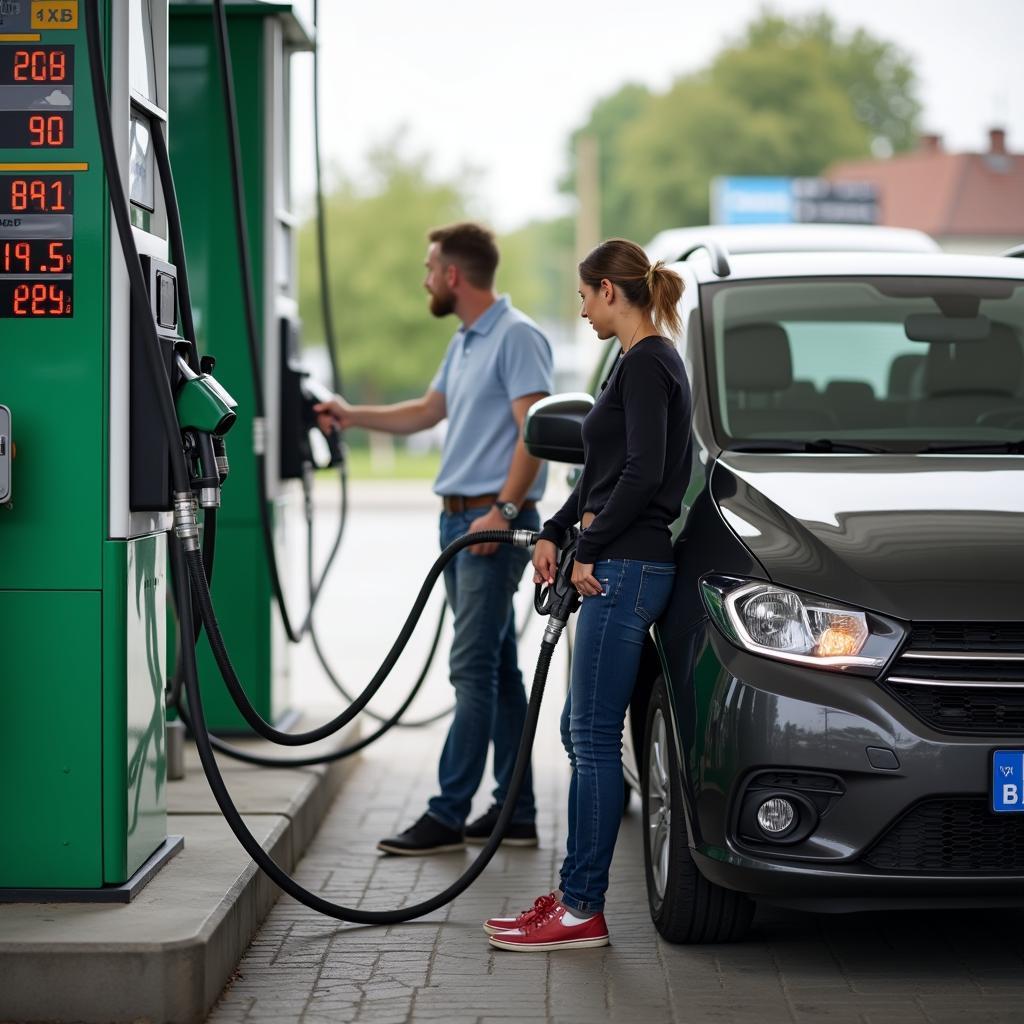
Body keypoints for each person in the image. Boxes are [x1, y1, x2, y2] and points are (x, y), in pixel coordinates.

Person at [315, 222, 553, 855]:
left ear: (453, 274)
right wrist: (352, 412)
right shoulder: (467, 340)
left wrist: (503, 510)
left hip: (490, 525)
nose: (424, 278)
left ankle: (448, 814)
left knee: (470, 666)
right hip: (459, 520)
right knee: (497, 667)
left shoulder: (517, 336)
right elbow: (427, 410)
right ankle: (517, 810)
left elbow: (535, 433)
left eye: (428, 268)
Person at [485, 239, 691, 951]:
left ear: (609, 290)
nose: (580, 311)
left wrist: (591, 549)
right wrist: (555, 530)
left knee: (594, 740)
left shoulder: (650, 362)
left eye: (582, 297)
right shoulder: (635, 364)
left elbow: (643, 473)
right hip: (617, 561)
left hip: (625, 570)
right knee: (583, 731)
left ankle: (581, 910)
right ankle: (574, 896)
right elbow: (602, 477)